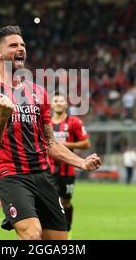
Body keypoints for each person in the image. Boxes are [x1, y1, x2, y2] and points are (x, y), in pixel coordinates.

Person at [0, 26, 101, 240]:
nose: (20, 48)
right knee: (32, 235)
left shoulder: (38, 93)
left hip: (42, 175)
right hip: (11, 175)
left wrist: (81, 162)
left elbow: (49, 142)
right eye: (13, 45)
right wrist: (3, 115)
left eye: (22, 45)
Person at [48, 92, 90, 234]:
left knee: (66, 202)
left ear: (66, 104)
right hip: (48, 170)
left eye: (61, 100)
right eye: (55, 100)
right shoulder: (45, 122)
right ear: (51, 104)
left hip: (67, 171)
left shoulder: (74, 122)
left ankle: (67, 230)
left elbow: (86, 143)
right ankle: (52, 231)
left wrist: (67, 144)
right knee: (51, 202)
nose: (58, 103)